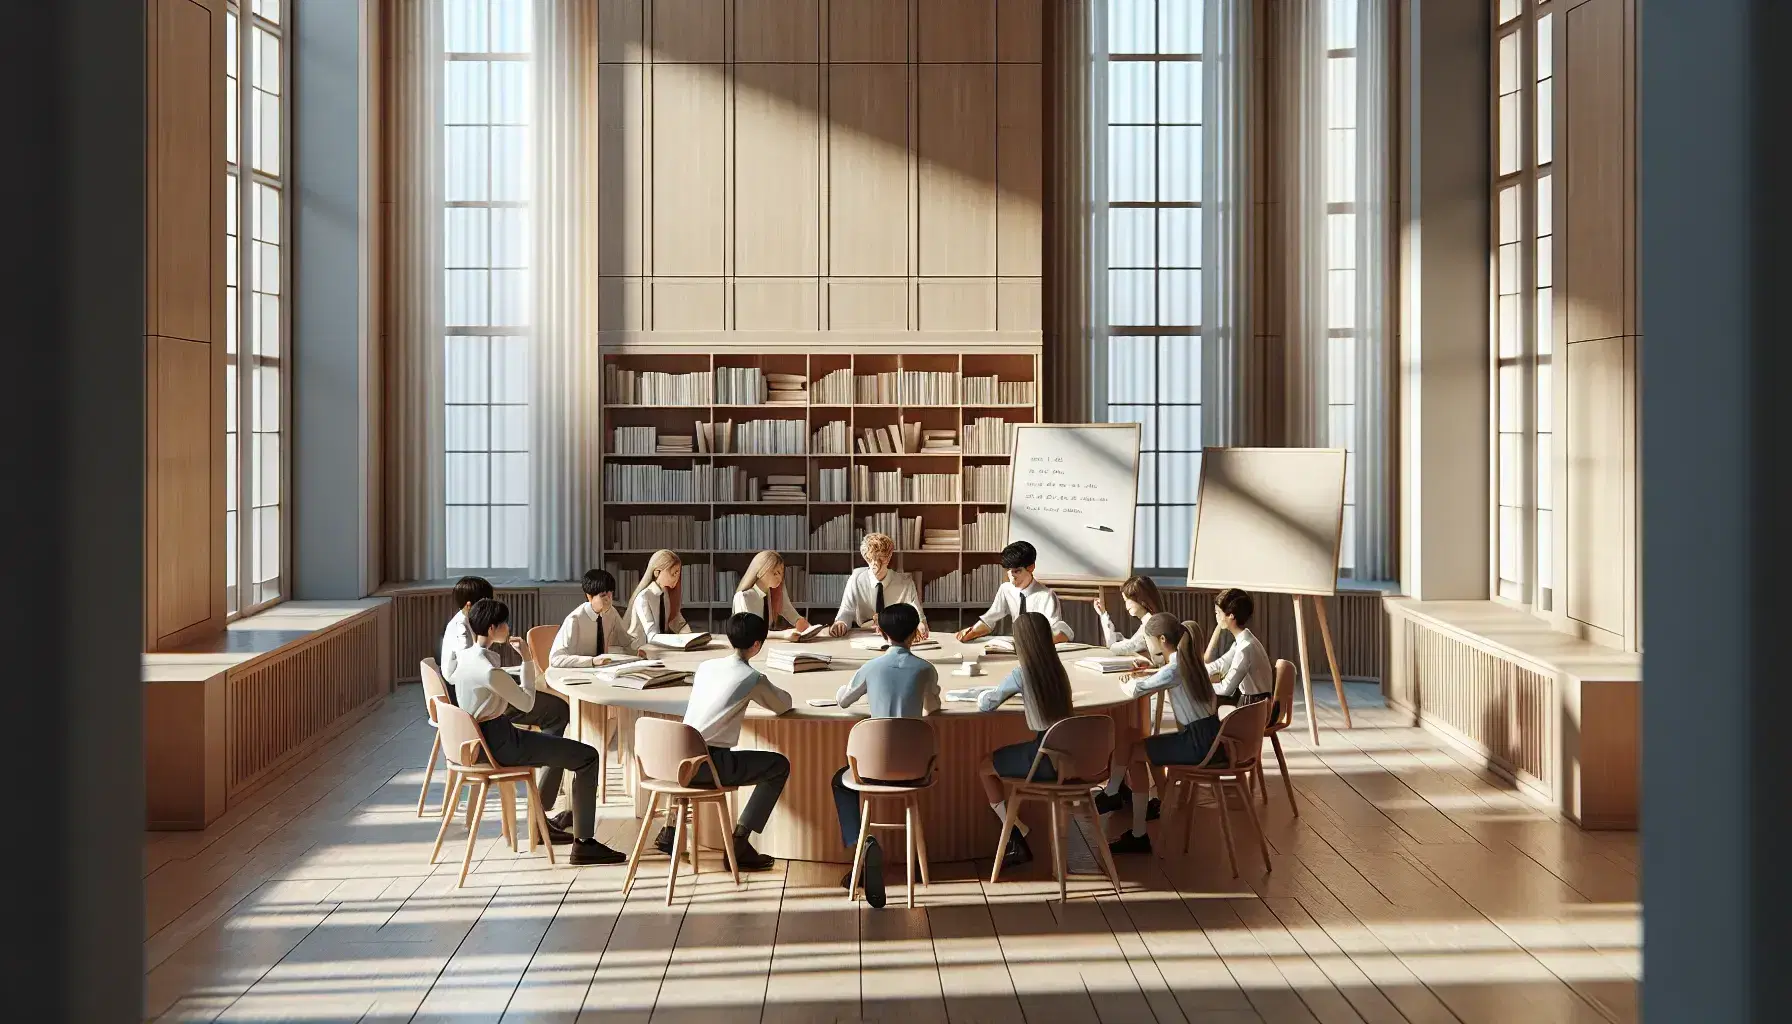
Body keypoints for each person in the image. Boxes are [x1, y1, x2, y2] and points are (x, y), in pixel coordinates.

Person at [443, 599, 626, 865]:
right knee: (588, 757)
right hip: (502, 744)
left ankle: (556, 823)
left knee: (564, 742)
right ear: (494, 628)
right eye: (505, 623)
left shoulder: (466, 659)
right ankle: (584, 843)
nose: (508, 627)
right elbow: (527, 702)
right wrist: (527, 658)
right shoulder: (490, 671)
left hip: (482, 741)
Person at [829, 602, 940, 907]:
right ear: (916, 634)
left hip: (871, 771)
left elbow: (843, 701)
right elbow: (934, 707)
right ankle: (919, 872)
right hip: (916, 771)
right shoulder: (926, 669)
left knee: (840, 781)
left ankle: (859, 846)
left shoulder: (871, 667)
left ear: (881, 632)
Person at [662, 612, 793, 871]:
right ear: (757, 645)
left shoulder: (706, 666)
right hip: (708, 764)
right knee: (779, 765)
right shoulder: (751, 678)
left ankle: (670, 829)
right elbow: (783, 705)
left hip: (674, 759)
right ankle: (739, 842)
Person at [1096, 613, 1224, 855]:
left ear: (1162, 639)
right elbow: (1163, 676)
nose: (1148, 645)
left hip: (1195, 744)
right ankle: (1117, 797)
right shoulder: (1188, 662)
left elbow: (1135, 690)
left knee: (1133, 751)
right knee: (1131, 735)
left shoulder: (1174, 669)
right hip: (1208, 737)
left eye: (1149, 641)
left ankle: (1135, 829)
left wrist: (1127, 679)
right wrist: (1149, 671)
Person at [973, 611, 1077, 868]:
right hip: (1069, 759)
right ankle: (1017, 829)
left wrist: (980, 693)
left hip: (1043, 757)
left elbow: (988, 704)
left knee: (985, 766)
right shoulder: (1058, 670)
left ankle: (1015, 833)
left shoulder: (1022, 673)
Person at [956, 540, 1073, 644]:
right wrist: (971, 632)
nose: (1012, 577)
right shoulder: (1006, 589)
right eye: (1008, 571)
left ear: (1031, 568)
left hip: (1038, 647)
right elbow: (989, 620)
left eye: (1017, 571)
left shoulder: (1046, 595)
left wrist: (1038, 642)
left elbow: (1058, 629)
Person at [828, 532, 927, 638]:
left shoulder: (905, 582)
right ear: (865, 558)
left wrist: (920, 624)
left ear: (889, 556)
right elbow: (847, 610)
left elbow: (917, 613)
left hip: (896, 635)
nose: (875, 563)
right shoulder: (856, 579)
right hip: (864, 635)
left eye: (881, 558)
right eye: (871, 558)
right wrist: (841, 623)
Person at [1204, 588, 1275, 710]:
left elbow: (1226, 688)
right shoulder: (1242, 641)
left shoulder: (1245, 647)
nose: (1216, 617)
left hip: (1254, 706)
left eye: (1218, 613)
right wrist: (1195, 671)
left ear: (1231, 615)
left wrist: (1202, 686)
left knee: (1204, 700)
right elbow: (1220, 665)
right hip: (1254, 701)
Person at [548, 569, 634, 668]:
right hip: (576, 672)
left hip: (601, 670)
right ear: (589, 596)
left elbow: (626, 641)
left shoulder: (611, 613)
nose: (608, 600)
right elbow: (555, 659)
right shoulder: (575, 620)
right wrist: (591, 661)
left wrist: (639, 650)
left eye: (611, 595)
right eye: (603, 596)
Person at [625, 549, 691, 651]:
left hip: (658, 648)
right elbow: (651, 635)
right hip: (638, 651)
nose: (677, 577)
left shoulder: (665, 594)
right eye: (674, 573)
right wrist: (677, 640)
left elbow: (676, 619)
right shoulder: (643, 598)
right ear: (657, 573)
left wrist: (689, 636)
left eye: (678, 573)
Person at [733, 550, 811, 636]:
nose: (779, 578)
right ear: (760, 572)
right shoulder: (743, 597)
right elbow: (752, 633)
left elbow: (790, 612)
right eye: (775, 573)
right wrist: (783, 635)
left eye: (781, 573)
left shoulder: (774, 593)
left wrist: (808, 628)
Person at [1095, 575, 1167, 657]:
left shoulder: (1150, 624)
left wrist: (1104, 616)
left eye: (1128, 599)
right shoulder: (1153, 620)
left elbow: (1116, 648)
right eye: (1125, 601)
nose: (1126, 605)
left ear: (1141, 598)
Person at [440, 575, 495, 680]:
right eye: (485, 604)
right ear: (469, 605)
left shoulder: (467, 619)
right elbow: (468, 659)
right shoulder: (461, 627)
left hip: (464, 675)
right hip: (458, 681)